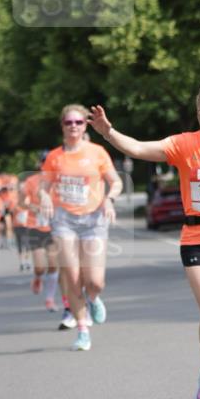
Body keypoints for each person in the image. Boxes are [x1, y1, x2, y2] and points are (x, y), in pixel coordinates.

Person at [89, 79, 200, 399]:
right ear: (199, 111)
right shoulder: (184, 144)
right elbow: (137, 148)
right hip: (198, 239)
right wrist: (108, 132)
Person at [39, 105, 123, 351]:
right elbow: (44, 186)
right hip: (64, 221)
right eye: (69, 123)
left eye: (78, 122)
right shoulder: (54, 157)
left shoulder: (97, 152)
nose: (73, 126)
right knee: (73, 277)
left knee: (95, 281)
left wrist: (109, 199)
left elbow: (115, 182)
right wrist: (44, 197)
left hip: (93, 221)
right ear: (62, 126)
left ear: (85, 125)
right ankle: (82, 330)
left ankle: (94, 298)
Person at [20, 152, 60, 309]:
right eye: (43, 162)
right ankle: (37, 277)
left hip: (53, 227)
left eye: (48, 162)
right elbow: (21, 203)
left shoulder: (58, 181)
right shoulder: (31, 181)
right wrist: (34, 207)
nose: (45, 165)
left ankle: (49, 298)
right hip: (35, 226)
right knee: (40, 266)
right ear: (39, 164)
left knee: (53, 265)